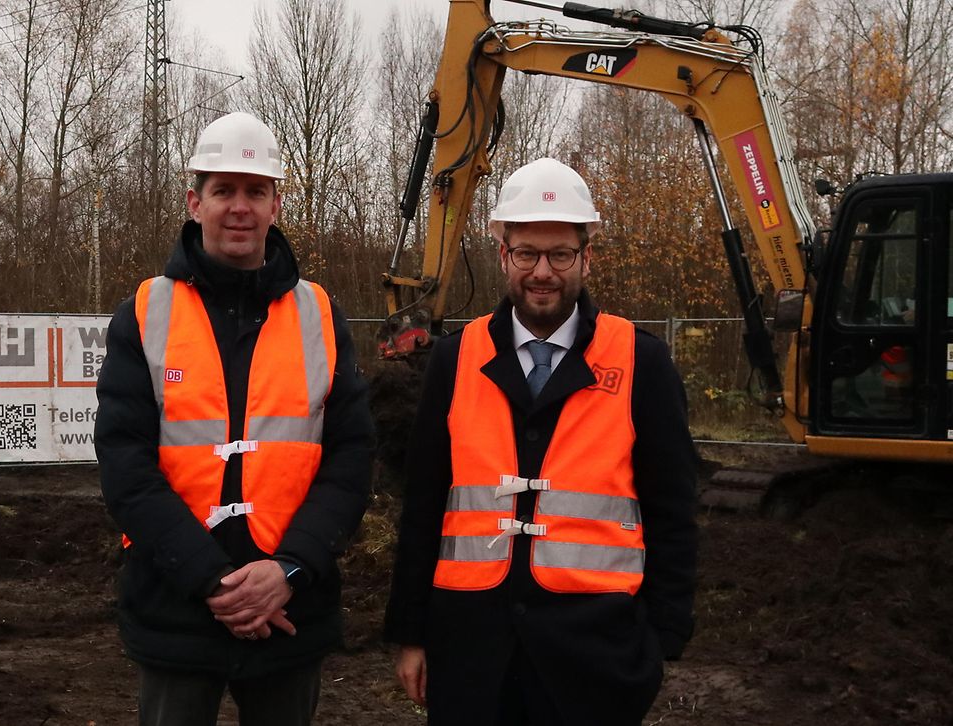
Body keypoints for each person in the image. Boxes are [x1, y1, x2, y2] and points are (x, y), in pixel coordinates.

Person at [384, 157, 697, 725]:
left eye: (560, 254)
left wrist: (661, 642)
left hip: (594, 658)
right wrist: (411, 633)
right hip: (471, 652)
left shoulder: (641, 362)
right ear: (503, 255)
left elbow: (673, 511)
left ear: (587, 256)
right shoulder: (455, 359)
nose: (543, 272)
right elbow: (424, 503)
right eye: (527, 253)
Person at [95, 112, 374, 726]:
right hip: (176, 606)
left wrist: (289, 569)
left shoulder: (320, 315)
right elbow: (125, 467)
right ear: (195, 203)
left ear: (277, 204)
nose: (239, 207)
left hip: (291, 608)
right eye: (224, 190)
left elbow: (351, 461)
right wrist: (212, 580)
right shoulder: (144, 314)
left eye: (255, 191)